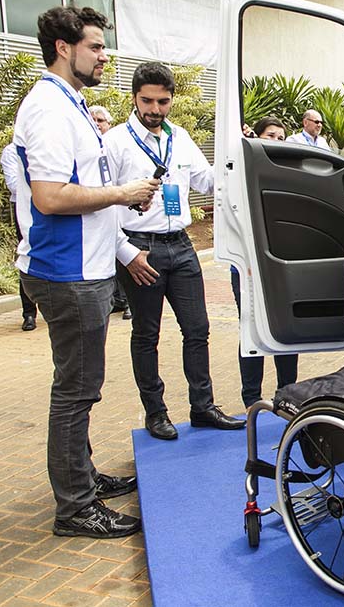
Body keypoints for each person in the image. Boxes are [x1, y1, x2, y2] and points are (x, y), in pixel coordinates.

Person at [15, 6, 160, 538]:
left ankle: (83, 479)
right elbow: (50, 196)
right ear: (63, 47)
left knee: (81, 388)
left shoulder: (70, 104)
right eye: (96, 46)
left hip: (88, 269)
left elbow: (84, 194)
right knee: (75, 391)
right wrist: (122, 193)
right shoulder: (50, 110)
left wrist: (122, 213)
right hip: (67, 274)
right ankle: (75, 507)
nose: (104, 55)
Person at [106, 61, 244, 440]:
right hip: (139, 248)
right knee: (146, 334)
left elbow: (208, 179)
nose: (154, 109)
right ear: (134, 98)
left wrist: (240, 154)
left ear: (171, 100)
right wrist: (126, 254)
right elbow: (102, 205)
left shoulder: (179, 137)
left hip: (182, 247)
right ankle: (156, 413)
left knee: (198, 329)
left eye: (162, 101)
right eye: (147, 101)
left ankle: (202, 407)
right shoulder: (116, 141)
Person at [232, 116, 298, 406]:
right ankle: (250, 399)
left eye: (282, 137)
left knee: (286, 328)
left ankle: (287, 392)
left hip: (279, 260)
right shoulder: (241, 172)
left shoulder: (290, 173)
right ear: (255, 138)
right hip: (246, 261)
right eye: (270, 135)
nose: (276, 141)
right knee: (251, 326)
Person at [90, 105, 132, 321]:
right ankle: (116, 300)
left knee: (124, 259)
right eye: (93, 120)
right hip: (100, 218)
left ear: (108, 123)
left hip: (122, 216)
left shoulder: (118, 142)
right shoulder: (90, 148)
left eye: (101, 120)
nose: (96, 123)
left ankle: (127, 302)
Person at [0, 143, 38, 331]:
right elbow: (14, 185)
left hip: (51, 207)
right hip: (24, 208)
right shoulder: (11, 151)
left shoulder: (47, 145)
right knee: (27, 253)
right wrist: (46, 187)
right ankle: (29, 313)